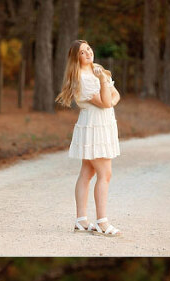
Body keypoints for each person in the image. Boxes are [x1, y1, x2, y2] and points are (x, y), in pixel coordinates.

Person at [56, 40, 122, 236]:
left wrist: (108, 96)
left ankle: (81, 221)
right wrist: (104, 85)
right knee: (105, 174)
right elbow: (105, 102)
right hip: (94, 127)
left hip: (103, 124)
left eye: (88, 49)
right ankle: (102, 222)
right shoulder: (82, 79)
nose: (88, 53)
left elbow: (115, 97)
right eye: (83, 52)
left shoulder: (98, 69)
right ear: (77, 58)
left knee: (88, 172)